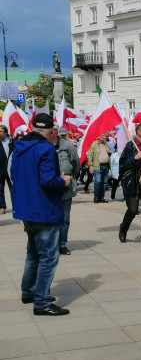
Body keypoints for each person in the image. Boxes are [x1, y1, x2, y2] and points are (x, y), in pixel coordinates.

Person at [11, 113, 71, 316]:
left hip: (26, 208)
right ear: (51, 130)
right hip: (43, 209)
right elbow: (47, 180)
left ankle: (29, 292)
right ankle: (42, 301)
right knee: (48, 256)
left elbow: (15, 175)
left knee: (33, 253)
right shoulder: (45, 149)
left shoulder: (19, 147)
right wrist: (63, 181)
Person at [56, 127, 80, 255]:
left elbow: (76, 163)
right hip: (51, 188)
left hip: (66, 187)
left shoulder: (67, 146)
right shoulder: (44, 146)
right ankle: (52, 244)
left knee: (65, 218)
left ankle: (62, 244)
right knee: (52, 218)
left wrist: (70, 178)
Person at [86, 134, 111, 203]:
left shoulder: (106, 144)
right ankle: (96, 197)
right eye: (103, 135)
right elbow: (89, 155)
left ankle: (102, 197)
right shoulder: (94, 144)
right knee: (98, 181)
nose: (104, 136)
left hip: (106, 166)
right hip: (97, 166)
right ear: (98, 137)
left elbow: (110, 153)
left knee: (104, 183)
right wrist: (91, 166)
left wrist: (109, 151)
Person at [0, 123, 14, 214]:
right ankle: (2, 207)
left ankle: (16, 206)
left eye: (0, 131)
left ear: (5, 132)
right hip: (1, 169)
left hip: (11, 169)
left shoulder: (12, 141)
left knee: (13, 188)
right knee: (0, 189)